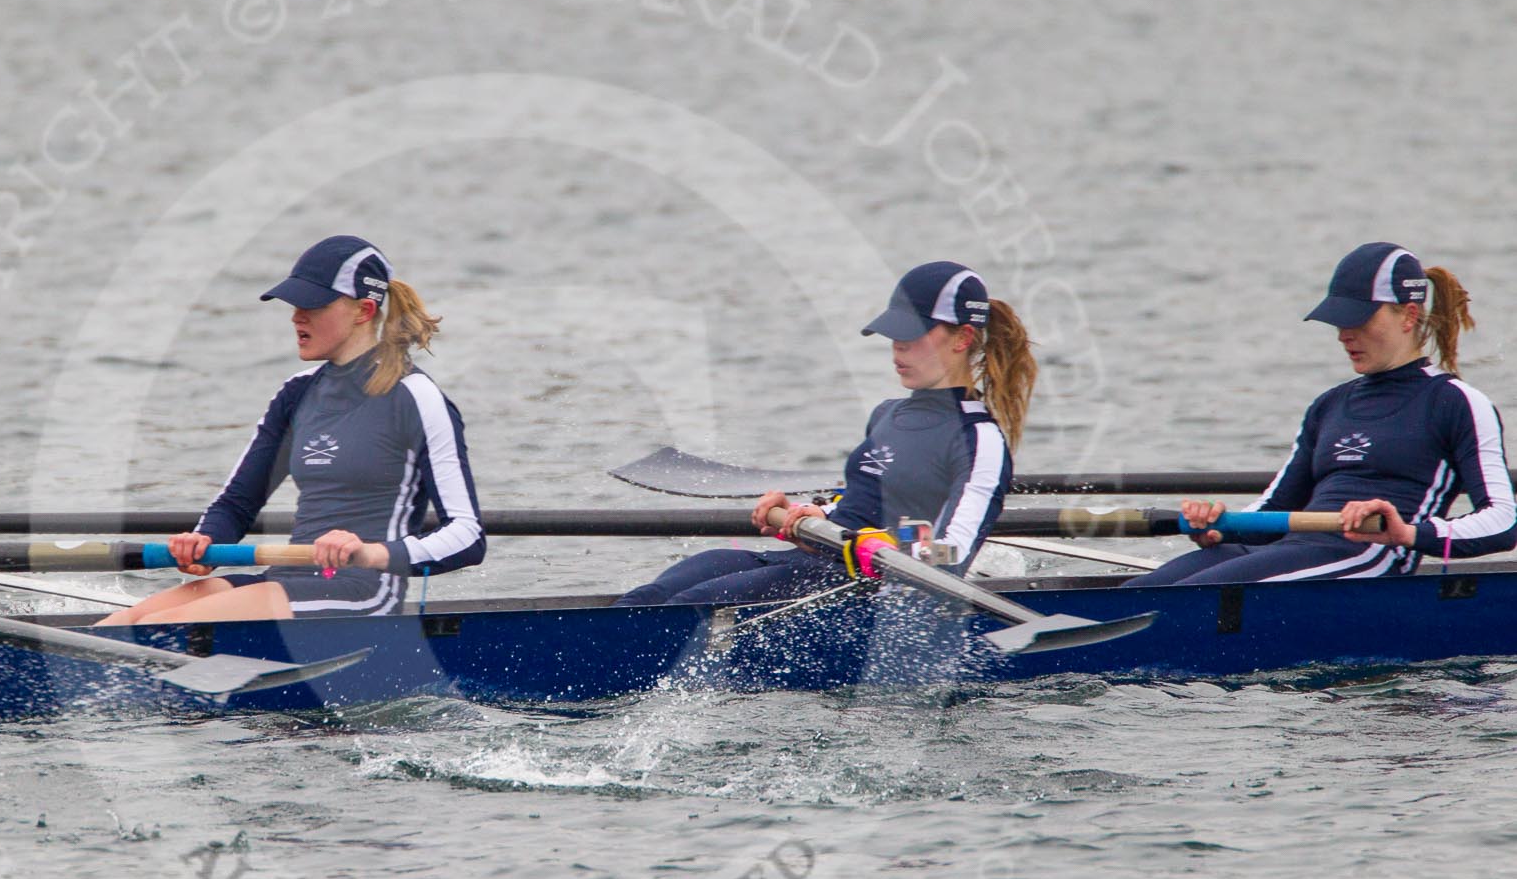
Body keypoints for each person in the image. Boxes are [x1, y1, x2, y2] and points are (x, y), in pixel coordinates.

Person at [101, 236, 483, 624]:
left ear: (363, 310)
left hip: (362, 592)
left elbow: (467, 536)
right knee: (117, 626)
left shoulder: (416, 397)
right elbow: (236, 503)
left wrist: (370, 552)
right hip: (287, 578)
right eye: (296, 304)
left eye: (313, 305)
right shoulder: (298, 392)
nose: (297, 317)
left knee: (155, 628)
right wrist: (203, 546)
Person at [617, 261, 1036, 607]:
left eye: (911, 335)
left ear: (962, 338)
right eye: (894, 335)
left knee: (693, 604)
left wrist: (886, 543)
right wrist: (819, 515)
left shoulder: (980, 441)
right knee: (651, 597)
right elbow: (865, 507)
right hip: (813, 564)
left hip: (862, 593)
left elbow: (952, 555)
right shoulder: (887, 416)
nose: (897, 349)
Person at [1132, 243, 1514, 586]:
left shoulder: (1456, 402)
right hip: (1292, 549)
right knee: (1138, 593)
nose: (1343, 335)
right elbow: (1273, 511)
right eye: (1339, 321)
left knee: (1196, 596)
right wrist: (1220, 526)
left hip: (1367, 558)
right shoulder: (1328, 405)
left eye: (1358, 320)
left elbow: (1503, 520)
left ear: (1408, 316)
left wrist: (1407, 533)